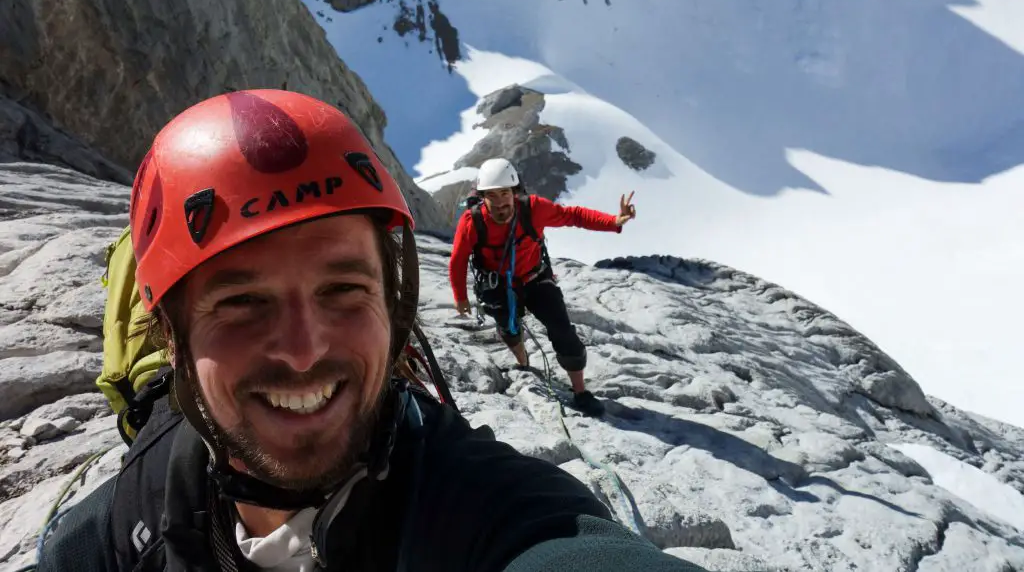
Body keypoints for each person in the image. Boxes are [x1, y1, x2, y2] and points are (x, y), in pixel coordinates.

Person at [36, 90, 704, 572]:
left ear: (393, 304)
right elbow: (465, 260)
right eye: (242, 302)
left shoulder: (483, 506)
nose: (304, 351)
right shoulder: (138, 508)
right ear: (171, 338)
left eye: (345, 290)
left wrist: (613, 226)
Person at [448, 158, 636, 418]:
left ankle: (581, 392)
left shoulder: (533, 209)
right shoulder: (472, 222)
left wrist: (614, 221)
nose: (501, 201)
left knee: (562, 330)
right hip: (499, 285)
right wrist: (460, 297)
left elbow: (574, 216)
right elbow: (457, 260)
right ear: (483, 197)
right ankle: (522, 360)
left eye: (505, 193)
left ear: (515, 192)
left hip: (536, 279)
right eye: (493, 195)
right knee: (508, 328)